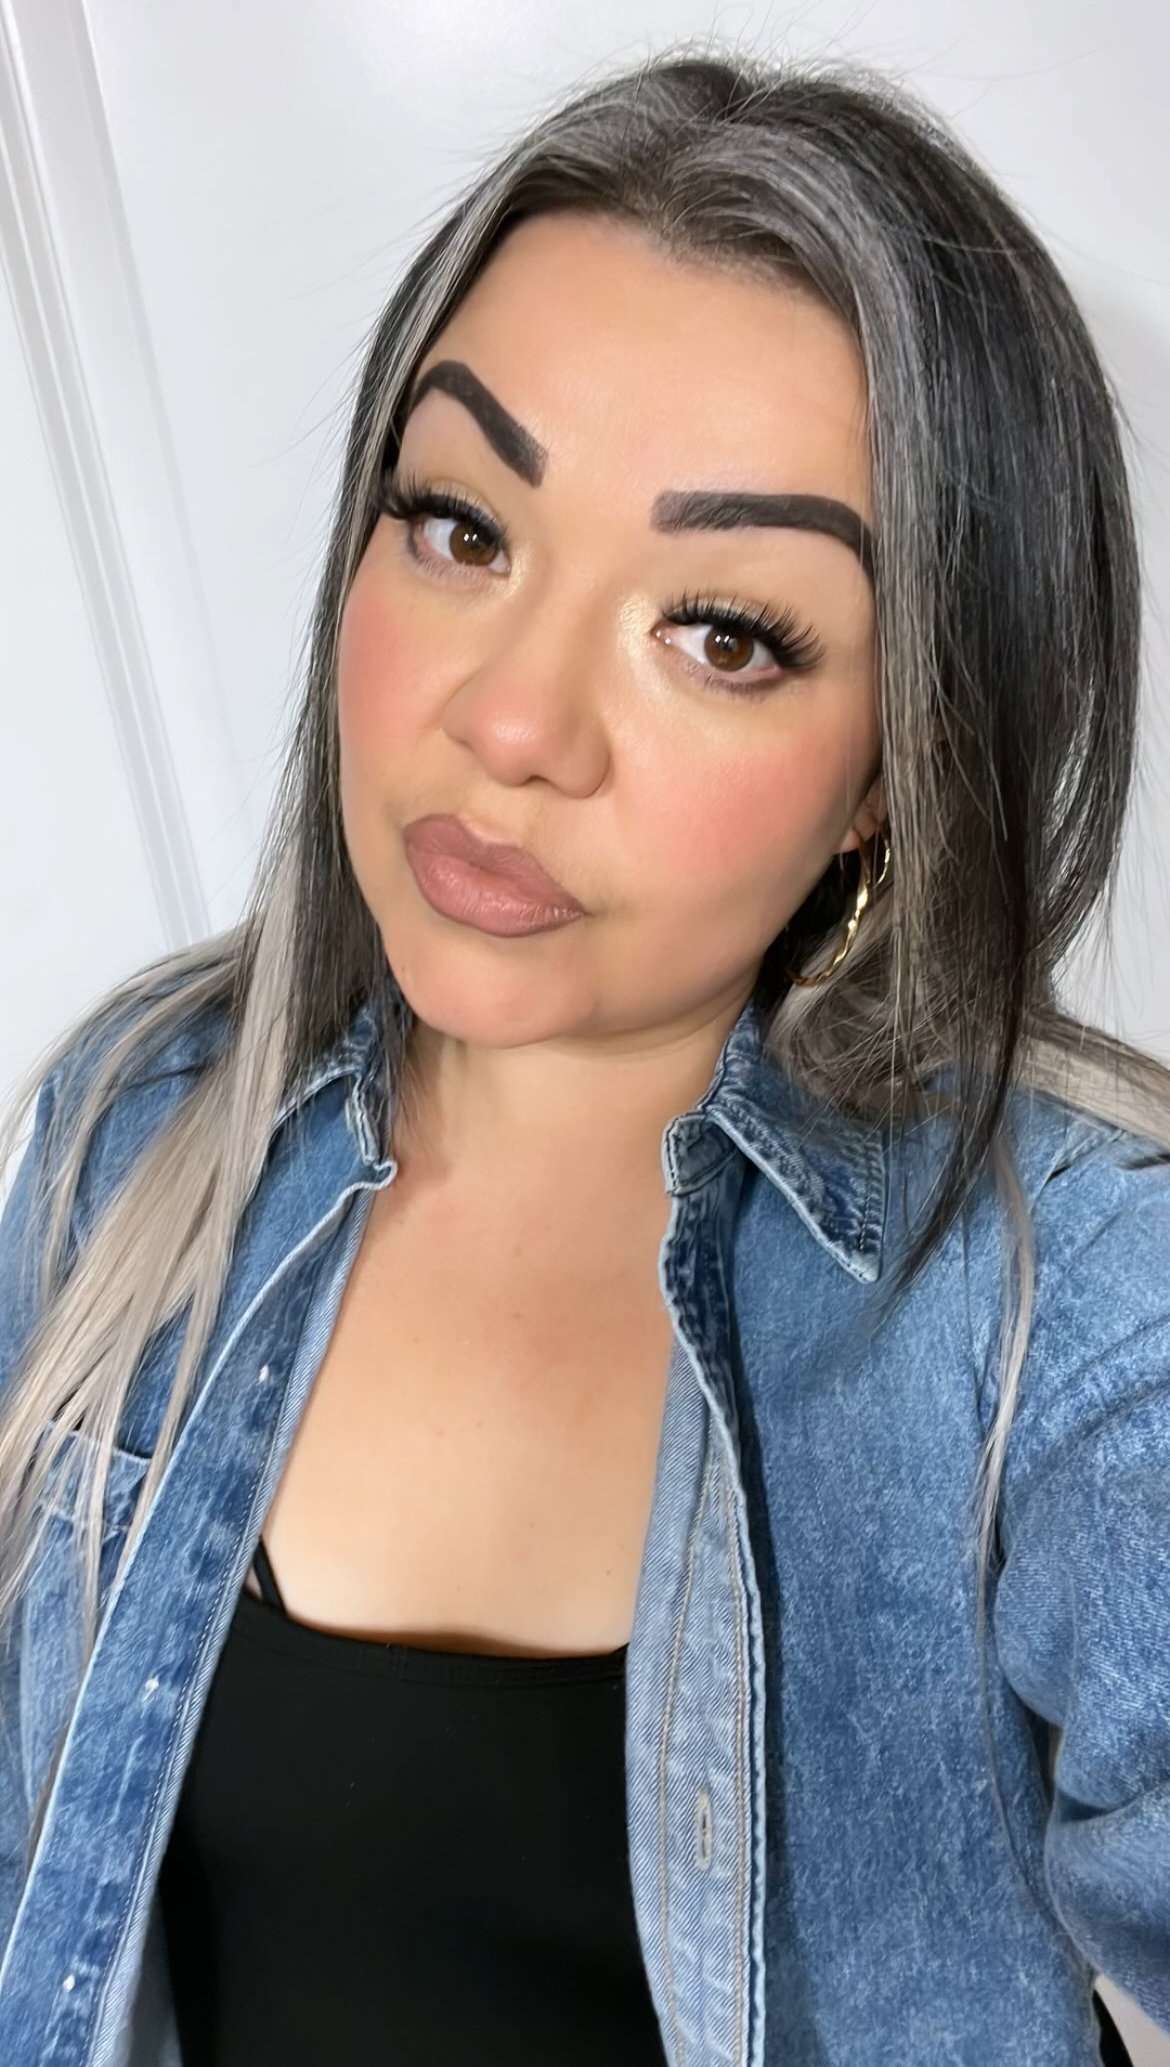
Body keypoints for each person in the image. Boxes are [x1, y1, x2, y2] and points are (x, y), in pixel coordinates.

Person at [0, 42, 1164, 2067]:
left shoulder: (1069, 1320)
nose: (518, 718)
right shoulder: (140, 1119)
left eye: (724, 629)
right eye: (460, 524)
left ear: (897, 768)